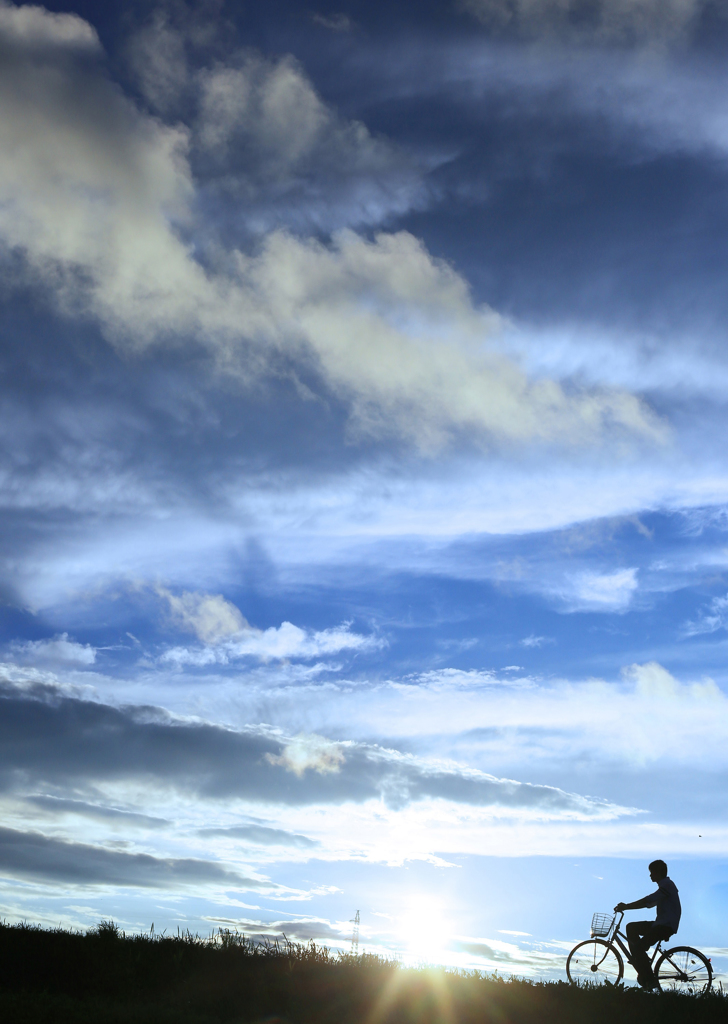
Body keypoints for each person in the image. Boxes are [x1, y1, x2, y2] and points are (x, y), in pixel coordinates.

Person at [614, 860, 681, 989]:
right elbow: (649, 903)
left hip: (664, 926)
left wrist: (627, 906)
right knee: (631, 927)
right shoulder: (665, 886)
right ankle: (641, 962)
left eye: (652, 873)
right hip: (660, 924)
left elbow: (647, 901)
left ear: (658, 872)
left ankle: (649, 977)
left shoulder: (667, 885)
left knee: (638, 948)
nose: (650, 876)